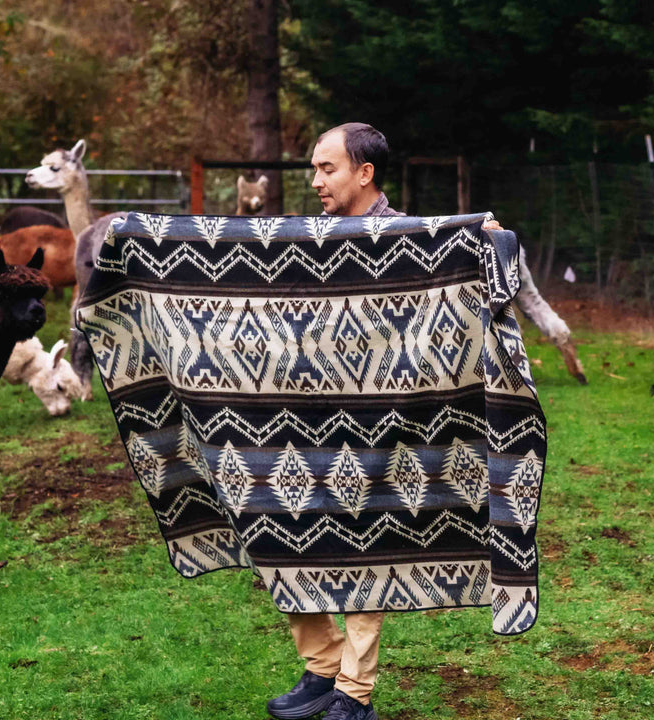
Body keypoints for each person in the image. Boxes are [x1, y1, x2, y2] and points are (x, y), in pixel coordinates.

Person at [265, 123, 395, 720]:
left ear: (364, 173)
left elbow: (479, 256)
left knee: (366, 551)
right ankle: (322, 665)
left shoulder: (408, 240)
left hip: (379, 426)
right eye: (314, 169)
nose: (316, 181)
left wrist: (484, 234)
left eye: (327, 169)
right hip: (302, 419)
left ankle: (354, 692)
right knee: (278, 532)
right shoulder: (307, 240)